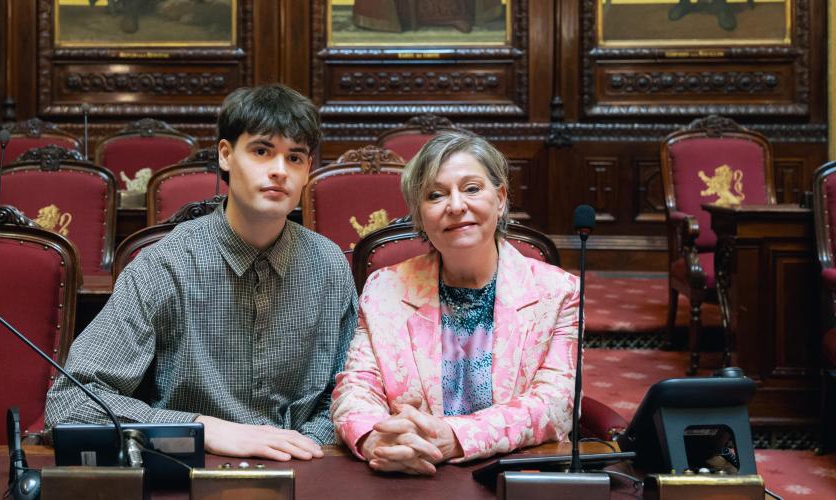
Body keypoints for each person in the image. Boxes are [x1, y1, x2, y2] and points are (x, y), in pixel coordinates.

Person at [46, 84, 358, 462]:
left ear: (308, 169)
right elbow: (71, 401)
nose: (279, 171)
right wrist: (199, 428)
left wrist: (301, 446)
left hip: (306, 464)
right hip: (190, 466)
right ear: (226, 155)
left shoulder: (328, 264)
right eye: (262, 151)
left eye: (295, 158)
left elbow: (346, 392)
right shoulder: (163, 265)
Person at [330, 130, 579, 475]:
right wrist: (376, 439)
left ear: (501, 197)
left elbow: (555, 404)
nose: (457, 205)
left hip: (514, 474)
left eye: (472, 188)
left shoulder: (558, 292)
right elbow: (356, 389)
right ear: (419, 213)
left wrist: (456, 437)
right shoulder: (384, 288)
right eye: (436, 195)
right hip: (408, 474)